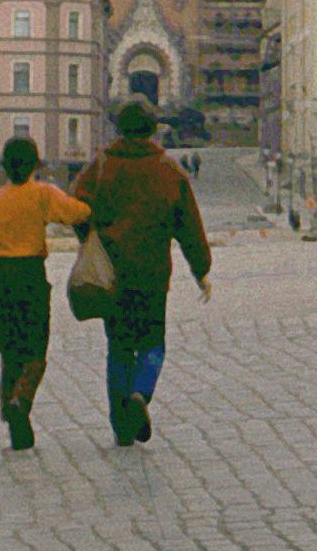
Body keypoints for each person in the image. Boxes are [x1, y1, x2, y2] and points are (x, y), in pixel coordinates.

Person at [73, 102, 213, 448]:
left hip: (113, 275)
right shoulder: (168, 169)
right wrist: (201, 270)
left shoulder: (101, 166)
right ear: (153, 129)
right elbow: (189, 226)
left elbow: (77, 207)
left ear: (119, 128)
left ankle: (121, 425)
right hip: (152, 274)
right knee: (152, 343)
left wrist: (92, 239)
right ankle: (141, 393)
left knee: (118, 347)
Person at [0, 137, 92, 452]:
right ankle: (21, 400)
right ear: (36, 165)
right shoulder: (43, 193)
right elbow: (77, 212)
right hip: (30, 273)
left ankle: (9, 406)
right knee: (35, 350)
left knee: (9, 347)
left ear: (5, 166)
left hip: (0, 275)